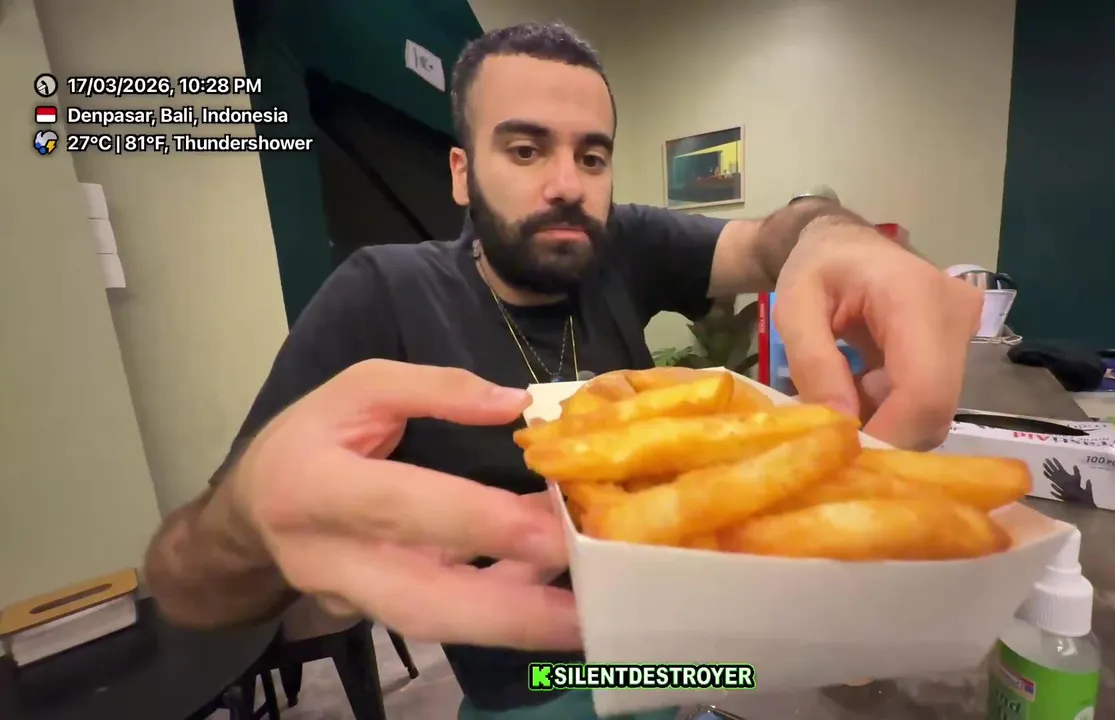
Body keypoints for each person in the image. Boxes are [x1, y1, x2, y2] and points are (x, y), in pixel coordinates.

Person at [142, 21, 981, 720]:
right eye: (524, 149)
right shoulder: (381, 294)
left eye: (592, 157)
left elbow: (771, 240)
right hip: (529, 684)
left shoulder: (622, 245)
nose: (566, 185)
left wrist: (833, 233)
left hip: (686, 656)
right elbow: (186, 588)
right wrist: (242, 525)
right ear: (462, 173)